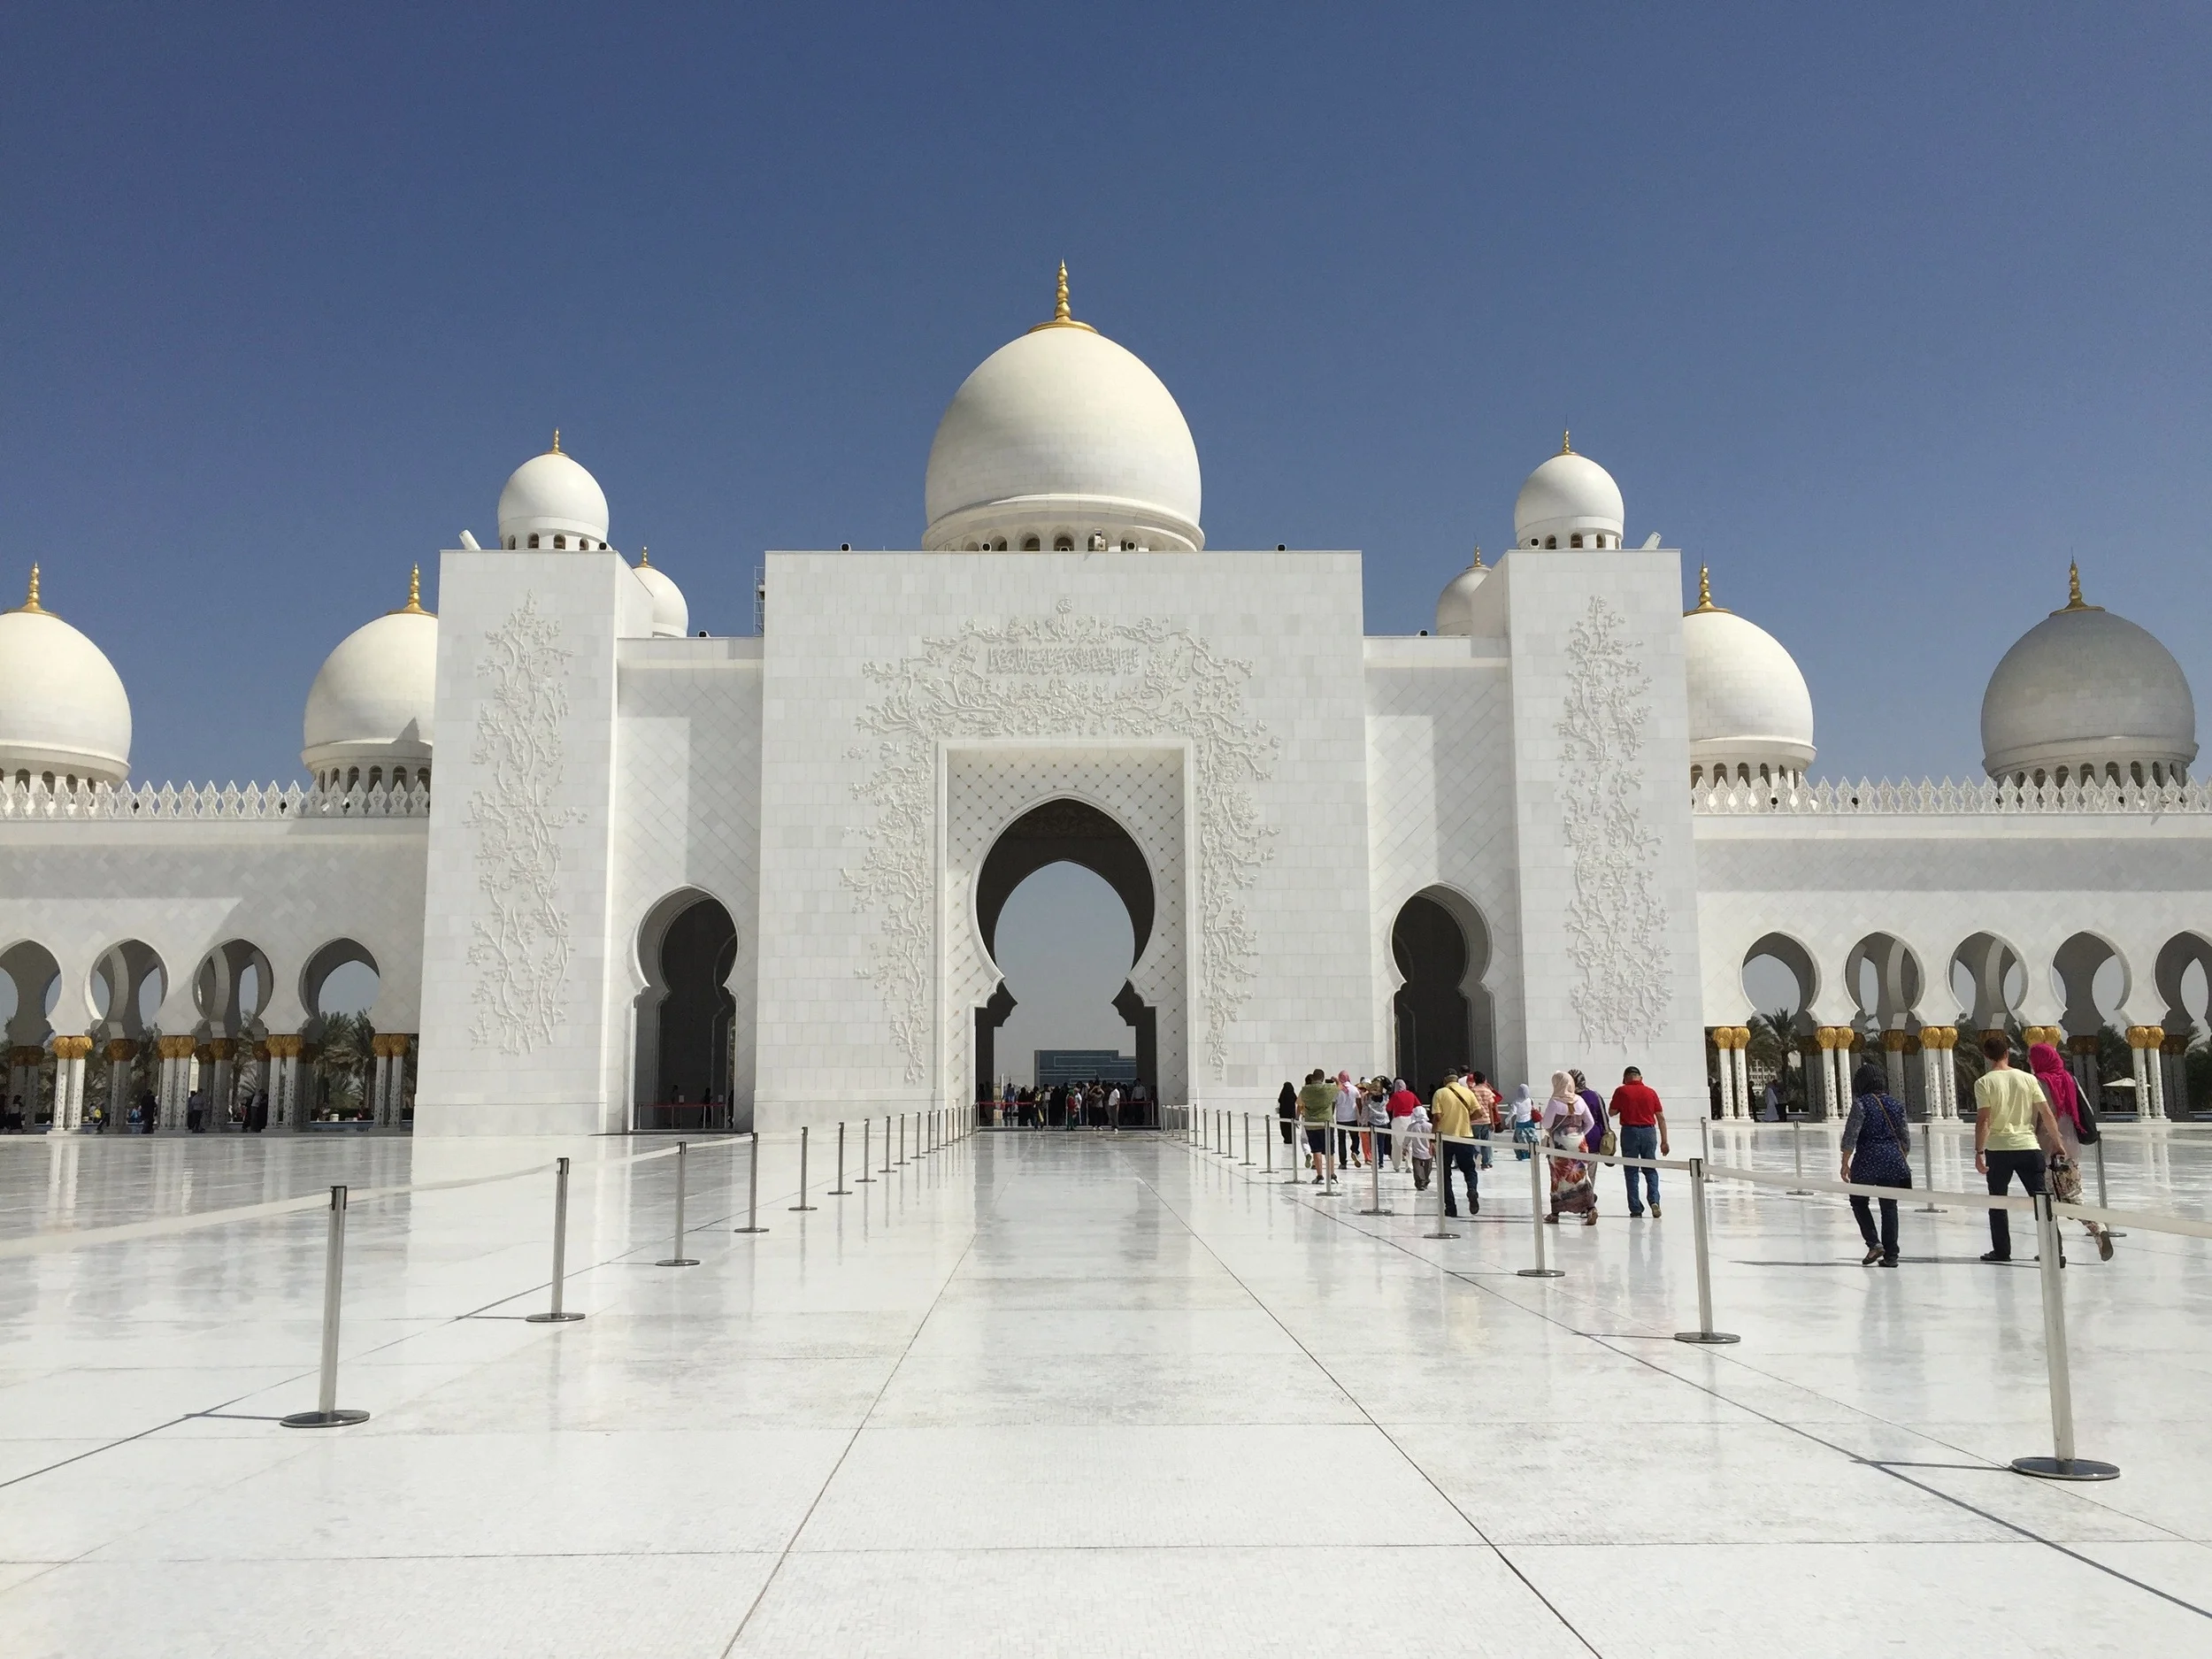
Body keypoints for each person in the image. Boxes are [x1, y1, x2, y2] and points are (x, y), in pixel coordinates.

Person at [1974, 1033, 2063, 1263]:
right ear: (2007, 1053)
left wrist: (1979, 1152)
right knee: (2041, 1201)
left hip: (1998, 1149)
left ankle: (2002, 1251)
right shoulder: (2028, 1079)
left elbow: (1983, 1120)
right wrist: (2058, 1143)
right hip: (2028, 1147)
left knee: (1997, 1201)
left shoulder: (1984, 1082)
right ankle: (2054, 1249)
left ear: (1986, 1056)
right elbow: (2047, 1113)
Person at [2029, 1041, 2116, 1262]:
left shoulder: (2037, 1083)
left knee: (2045, 1201)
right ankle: (2098, 1229)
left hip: (2046, 1148)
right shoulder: (2070, 1079)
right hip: (2072, 1148)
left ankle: (2053, 1250)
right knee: (2074, 1196)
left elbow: (2035, 1118)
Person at [1840, 1061, 1911, 1265]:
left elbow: (1851, 1135)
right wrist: (1898, 1159)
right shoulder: (1896, 1104)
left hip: (1867, 1160)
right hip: (1892, 1160)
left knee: (1859, 1201)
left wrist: (1845, 1162)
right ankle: (1892, 1255)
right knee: (1889, 1206)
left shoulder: (1862, 1103)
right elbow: (1905, 1139)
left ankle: (1874, 1243)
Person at [1609, 1065, 1668, 1218]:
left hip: (1630, 1132)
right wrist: (1664, 1141)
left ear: (1625, 1078)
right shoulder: (1651, 1092)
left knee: (1631, 1171)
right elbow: (1660, 1117)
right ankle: (1654, 1200)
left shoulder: (1621, 1091)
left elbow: (1612, 1112)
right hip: (1649, 1132)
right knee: (1650, 1168)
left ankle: (1635, 1208)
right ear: (1640, 1077)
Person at [1543, 1071, 1597, 1224]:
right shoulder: (1579, 1100)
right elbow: (1590, 1122)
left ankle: (1555, 1213)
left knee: (1558, 1177)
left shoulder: (1555, 1102)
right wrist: (1579, 1135)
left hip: (1560, 1146)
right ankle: (1590, 1209)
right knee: (1581, 1176)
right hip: (1580, 1143)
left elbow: (1546, 1124)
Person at [1431, 1067, 1481, 1217]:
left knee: (1444, 1174)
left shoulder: (1440, 1093)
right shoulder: (1467, 1092)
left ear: (1445, 1080)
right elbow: (1478, 1112)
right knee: (1469, 1169)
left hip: (1445, 1138)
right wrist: (1466, 1120)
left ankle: (1451, 1207)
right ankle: (1472, 1189)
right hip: (1465, 1136)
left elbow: (1437, 1117)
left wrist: (1433, 1135)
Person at [1297, 1068, 1338, 1184]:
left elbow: (1299, 1103)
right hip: (1326, 1123)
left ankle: (1320, 1176)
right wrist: (1336, 1080)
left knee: (1316, 1150)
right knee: (1329, 1150)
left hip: (1311, 1124)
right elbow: (1340, 1088)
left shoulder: (1305, 1090)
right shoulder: (1328, 1089)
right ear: (1323, 1078)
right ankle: (1332, 1175)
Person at [1466, 1071, 1500, 1168]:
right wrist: (1492, 1122)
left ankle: (1477, 1156)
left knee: (1475, 1141)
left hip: (1474, 1120)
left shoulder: (1472, 1091)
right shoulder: (1488, 1091)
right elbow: (1491, 1108)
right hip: (1486, 1120)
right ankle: (1486, 1162)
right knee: (1486, 1142)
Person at [1386, 1077, 1418, 1170]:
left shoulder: (1395, 1096)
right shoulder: (1411, 1095)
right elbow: (1418, 1105)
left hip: (1398, 1120)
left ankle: (1396, 1165)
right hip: (1409, 1120)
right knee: (1409, 1144)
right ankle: (1409, 1165)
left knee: (1396, 1143)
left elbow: (1389, 1108)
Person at [1333, 1071, 1363, 1168]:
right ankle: (1354, 1150)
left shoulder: (1337, 1090)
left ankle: (1343, 1163)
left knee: (1341, 1141)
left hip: (1341, 1119)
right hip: (1352, 1118)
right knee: (1355, 1137)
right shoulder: (1354, 1089)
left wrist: (1331, 1114)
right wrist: (1361, 1115)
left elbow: (1333, 1104)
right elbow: (1359, 1103)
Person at [1404, 1101, 1434, 1189]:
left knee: (1417, 1169)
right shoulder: (1430, 1126)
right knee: (1427, 1168)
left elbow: (1407, 1138)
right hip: (1428, 1151)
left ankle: (1420, 1182)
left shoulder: (1412, 1126)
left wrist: (1405, 1147)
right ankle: (1426, 1180)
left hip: (1416, 1151)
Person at [1364, 1079, 1393, 1169]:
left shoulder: (1368, 1098)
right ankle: (1381, 1162)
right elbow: (1389, 1089)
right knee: (1381, 1143)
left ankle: (1374, 1160)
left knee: (1373, 1144)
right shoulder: (1385, 1098)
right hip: (1383, 1122)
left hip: (1372, 1122)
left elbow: (1365, 1109)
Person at [1508, 1083, 1538, 1159]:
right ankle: (1533, 1153)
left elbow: (1513, 1112)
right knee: (1531, 1138)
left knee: (1520, 1140)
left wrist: (1507, 1120)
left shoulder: (1516, 1102)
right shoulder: (1530, 1100)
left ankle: (1522, 1155)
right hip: (1529, 1122)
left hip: (1520, 1123)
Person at [1277, 1081, 1297, 1150]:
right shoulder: (1292, 1095)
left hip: (1283, 1115)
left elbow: (1279, 1100)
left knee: (1284, 1127)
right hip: (1291, 1115)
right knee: (1290, 1127)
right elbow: (1296, 1100)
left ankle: (1286, 1139)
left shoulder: (1282, 1095)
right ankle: (1291, 1138)